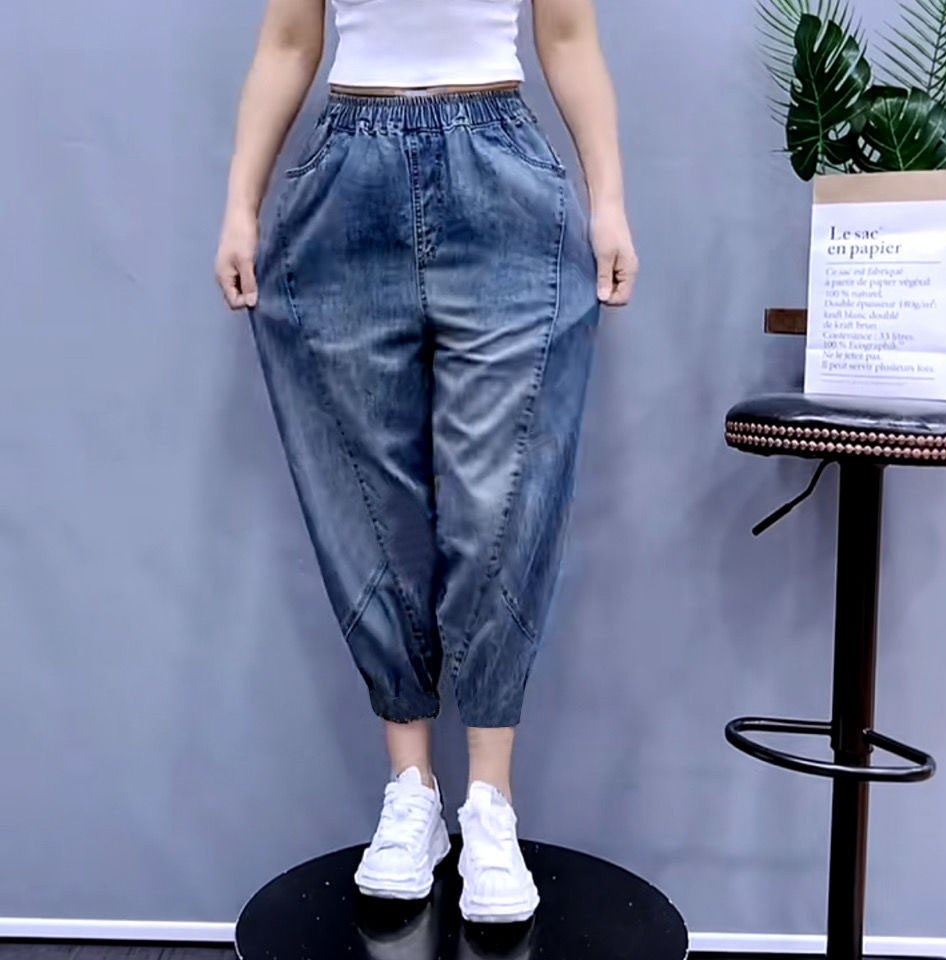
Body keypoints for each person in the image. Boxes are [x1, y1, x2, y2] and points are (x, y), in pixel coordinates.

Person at [214, 0, 637, 925]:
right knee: (365, 492)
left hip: (503, 173)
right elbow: (289, 40)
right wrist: (240, 204)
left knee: (502, 498)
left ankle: (489, 804)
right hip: (345, 179)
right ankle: (412, 791)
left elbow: (569, 36)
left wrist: (607, 199)